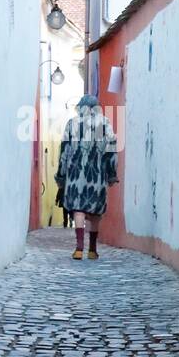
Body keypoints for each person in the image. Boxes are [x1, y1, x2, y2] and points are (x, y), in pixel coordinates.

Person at [55, 94, 119, 260]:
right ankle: (92, 250)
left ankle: (78, 249)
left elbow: (64, 151)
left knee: (79, 209)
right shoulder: (105, 123)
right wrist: (111, 173)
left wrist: (61, 176)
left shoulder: (72, 124)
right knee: (95, 212)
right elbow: (112, 150)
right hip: (96, 175)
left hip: (75, 175)